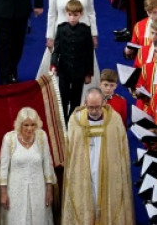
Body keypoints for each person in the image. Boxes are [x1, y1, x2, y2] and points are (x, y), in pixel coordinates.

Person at [61, 88, 133, 224]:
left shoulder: (114, 119)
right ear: (85, 103)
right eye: (90, 107)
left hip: (107, 172)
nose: (94, 111)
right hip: (84, 171)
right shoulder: (75, 121)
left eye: (97, 107)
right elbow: (71, 150)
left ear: (104, 103)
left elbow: (122, 150)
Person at [39, 0, 98, 84]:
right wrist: (50, 36)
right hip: (61, 36)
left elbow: (90, 11)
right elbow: (51, 13)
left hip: (83, 34)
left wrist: (93, 34)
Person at [0, 107, 56, 225]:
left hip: (38, 189)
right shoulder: (9, 138)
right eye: (26, 125)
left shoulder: (41, 136)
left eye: (33, 125)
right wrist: (3, 193)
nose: (30, 129)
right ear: (20, 125)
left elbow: (47, 163)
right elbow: (3, 168)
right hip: (15, 191)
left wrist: (49, 189)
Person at [50, 0, 96, 118]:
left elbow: (89, 53)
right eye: (70, 14)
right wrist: (54, 65)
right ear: (66, 13)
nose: (72, 18)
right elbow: (56, 51)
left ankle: (72, 122)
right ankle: (63, 123)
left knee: (76, 100)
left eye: (75, 15)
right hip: (64, 71)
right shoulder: (61, 29)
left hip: (79, 72)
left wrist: (88, 73)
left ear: (81, 14)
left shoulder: (85, 30)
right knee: (63, 99)